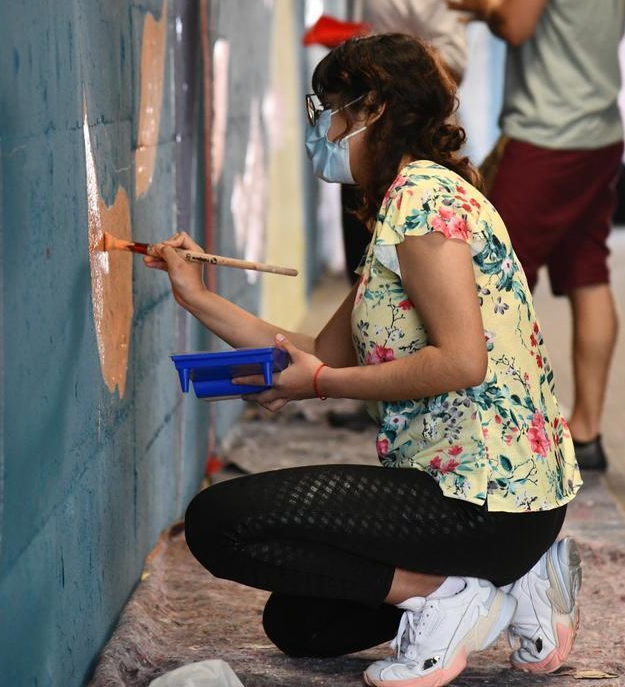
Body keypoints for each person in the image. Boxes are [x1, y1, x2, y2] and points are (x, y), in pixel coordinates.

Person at [146, 35, 583, 685]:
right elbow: (311, 351)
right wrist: (194, 294)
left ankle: (448, 597)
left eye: (330, 109)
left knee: (219, 523)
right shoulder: (408, 206)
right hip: (489, 505)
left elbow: (461, 360)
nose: (321, 126)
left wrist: (321, 385)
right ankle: (512, 584)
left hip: (480, 501)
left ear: (373, 109)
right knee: (301, 625)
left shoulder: (421, 202)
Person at [442, 0, 625, 473]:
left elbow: (519, 24)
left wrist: (488, 3)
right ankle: (587, 429)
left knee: (492, 279)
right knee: (587, 274)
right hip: (598, 130)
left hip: (549, 134)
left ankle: (499, 427)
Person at [293, 0, 467, 287]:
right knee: (364, 276)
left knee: (399, 276)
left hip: (391, 137)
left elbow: (452, 70)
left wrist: (382, 57)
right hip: (354, 132)